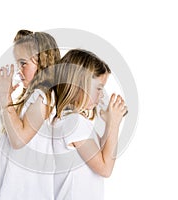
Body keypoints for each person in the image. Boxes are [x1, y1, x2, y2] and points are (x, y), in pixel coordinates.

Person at [0, 30, 61, 200]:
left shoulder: (42, 96)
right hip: (22, 188)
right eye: (18, 64)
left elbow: (19, 140)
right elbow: (11, 130)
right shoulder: (34, 95)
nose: (19, 70)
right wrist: (4, 97)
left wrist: (5, 97)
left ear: (43, 63)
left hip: (28, 190)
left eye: (23, 63)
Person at [52, 49, 127, 200]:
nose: (101, 94)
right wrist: (114, 124)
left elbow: (103, 152)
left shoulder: (74, 120)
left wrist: (109, 123)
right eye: (98, 88)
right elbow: (105, 169)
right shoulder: (74, 122)